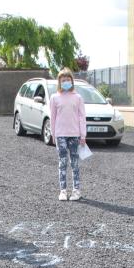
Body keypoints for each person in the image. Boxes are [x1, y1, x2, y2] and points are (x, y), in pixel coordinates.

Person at [49, 68, 86, 201]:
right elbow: (52, 118)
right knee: (62, 162)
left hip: (75, 135)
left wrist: (83, 135)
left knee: (75, 163)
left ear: (72, 81)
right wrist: (53, 134)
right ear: (59, 82)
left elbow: (82, 117)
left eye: (68, 79)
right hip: (60, 135)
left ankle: (76, 190)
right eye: (63, 80)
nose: (66, 82)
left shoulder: (78, 98)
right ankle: (63, 191)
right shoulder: (54, 98)